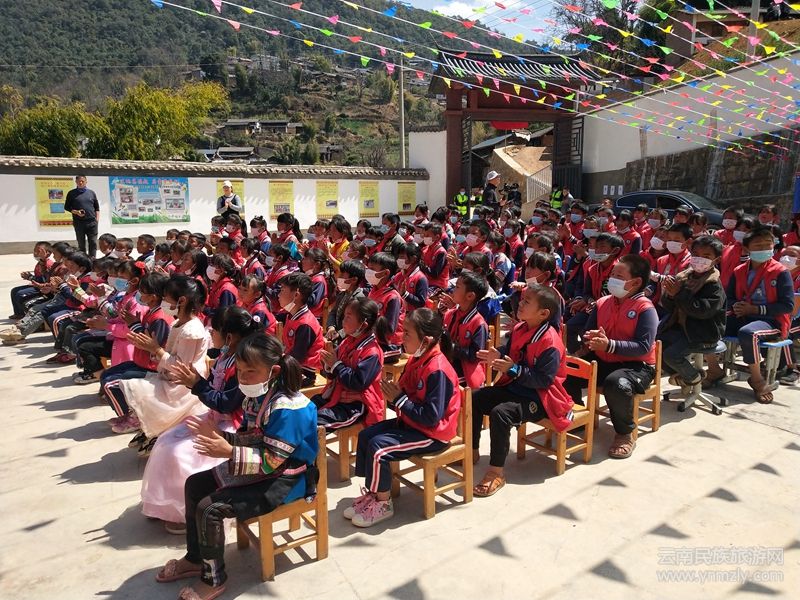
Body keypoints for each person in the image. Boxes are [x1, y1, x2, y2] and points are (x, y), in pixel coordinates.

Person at [154, 333, 318, 599]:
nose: (243, 378)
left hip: (288, 479)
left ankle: (213, 579)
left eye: (250, 371)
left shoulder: (290, 409)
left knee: (210, 508)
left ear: (274, 371)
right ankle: (196, 558)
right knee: (194, 484)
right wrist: (222, 436)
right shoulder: (258, 396)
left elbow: (272, 461)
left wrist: (230, 450)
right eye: (240, 371)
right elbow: (252, 437)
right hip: (267, 470)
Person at [142, 306, 257, 534]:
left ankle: (188, 512)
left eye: (214, 330)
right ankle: (165, 505)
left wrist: (197, 384)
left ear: (229, 337)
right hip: (215, 416)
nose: (210, 333)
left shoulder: (243, 364)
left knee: (180, 453)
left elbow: (226, 403)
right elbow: (213, 388)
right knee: (166, 441)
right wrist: (196, 382)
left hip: (232, 424)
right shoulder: (225, 356)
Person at [345, 308, 461, 527]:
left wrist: (399, 399)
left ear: (425, 340)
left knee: (379, 449)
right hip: (413, 423)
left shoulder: (437, 369)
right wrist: (394, 394)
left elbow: (431, 417)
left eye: (407, 333)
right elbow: (407, 395)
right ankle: (374, 492)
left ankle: (383, 504)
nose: (401, 337)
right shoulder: (419, 359)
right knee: (367, 435)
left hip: (432, 434)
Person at [472, 284, 573, 496]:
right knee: (476, 398)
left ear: (543, 313)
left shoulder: (550, 342)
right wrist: (498, 354)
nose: (520, 303)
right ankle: (472, 451)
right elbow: (511, 351)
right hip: (517, 388)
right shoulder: (520, 328)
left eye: (527, 301)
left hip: (541, 398)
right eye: (522, 299)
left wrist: (514, 369)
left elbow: (544, 380)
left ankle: (496, 472)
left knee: (501, 413)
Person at [566, 254, 658, 460]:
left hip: (637, 366)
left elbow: (643, 346)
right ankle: (578, 419)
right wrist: (590, 339)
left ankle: (625, 434)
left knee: (616, 384)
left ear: (636, 282)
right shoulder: (602, 303)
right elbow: (588, 332)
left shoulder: (645, 309)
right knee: (567, 370)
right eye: (612, 275)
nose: (612, 279)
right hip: (604, 359)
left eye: (619, 276)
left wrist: (610, 345)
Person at [120, 276, 211, 456]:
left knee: (138, 389)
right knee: (131, 386)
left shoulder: (192, 330)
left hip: (182, 387)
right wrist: (152, 349)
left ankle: (156, 434)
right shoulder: (178, 323)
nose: (163, 302)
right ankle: (152, 432)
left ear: (181, 301)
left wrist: (156, 349)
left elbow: (181, 367)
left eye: (166, 298)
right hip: (170, 377)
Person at [705, 227, 795, 403]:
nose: (764, 249)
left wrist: (754, 310)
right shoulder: (739, 270)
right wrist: (736, 305)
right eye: (758, 245)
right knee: (708, 324)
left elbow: (787, 306)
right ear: (747, 249)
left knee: (748, 333)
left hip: (772, 321)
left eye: (768, 245)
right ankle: (714, 369)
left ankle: (756, 379)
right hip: (744, 315)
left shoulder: (780, 271)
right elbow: (729, 297)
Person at [657, 236, 726, 389]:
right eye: (695, 254)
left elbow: (702, 311)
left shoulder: (713, 285)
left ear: (716, 260)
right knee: (658, 346)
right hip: (683, 328)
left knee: (671, 355)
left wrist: (678, 294)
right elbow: (670, 307)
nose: (699, 259)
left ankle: (693, 377)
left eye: (706, 256)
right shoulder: (684, 277)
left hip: (703, 333)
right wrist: (670, 295)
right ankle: (684, 374)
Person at [314, 297, 385, 429]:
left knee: (313, 422)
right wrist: (328, 364)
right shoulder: (347, 341)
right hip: (337, 395)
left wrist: (336, 365)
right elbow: (333, 373)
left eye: (348, 317)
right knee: (304, 410)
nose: (343, 320)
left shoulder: (372, 352)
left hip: (357, 404)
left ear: (363, 324)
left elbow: (357, 383)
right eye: (344, 316)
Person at [440, 271, 488, 389]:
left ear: (470, 296)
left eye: (457, 287)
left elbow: (474, 355)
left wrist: (450, 347)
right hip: (449, 363)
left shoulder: (478, 323)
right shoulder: (449, 314)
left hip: (466, 372)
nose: (452, 290)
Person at [278, 272, 324, 387]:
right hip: (292, 365)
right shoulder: (291, 314)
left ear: (296, 295)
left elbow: (297, 357)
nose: (278, 295)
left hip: (303, 372)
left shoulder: (305, 324)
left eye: (282, 290)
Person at [64, 174, 100, 257]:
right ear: (76, 182)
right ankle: (83, 260)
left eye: (82, 181)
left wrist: (97, 220)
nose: (80, 183)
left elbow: (97, 208)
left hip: (92, 222)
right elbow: (67, 207)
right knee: (81, 244)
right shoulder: (71, 193)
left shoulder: (91, 193)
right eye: (79, 181)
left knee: (93, 243)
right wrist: (76, 212)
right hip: (79, 223)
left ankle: (92, 259)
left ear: (86, 182)